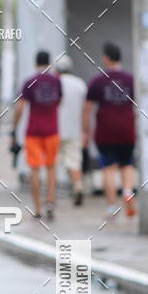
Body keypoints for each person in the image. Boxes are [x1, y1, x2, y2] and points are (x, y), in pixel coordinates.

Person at [83, 42, 137, 218]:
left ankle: (112, 207)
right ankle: (128, 191)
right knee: (127, 164)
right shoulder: (131, 79)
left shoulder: (98, 81)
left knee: (108, 168)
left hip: (105, 131)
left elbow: (88, 108)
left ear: (106, 58)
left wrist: (86, 130)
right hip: (127, 129)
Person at [12, 49, 62, 220]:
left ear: (35, 63)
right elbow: (58, 102)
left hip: (33, 132)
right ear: (49, 63)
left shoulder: (30, 82)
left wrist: (14, 127)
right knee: (51, 168)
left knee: (34, 169)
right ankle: (50, 201)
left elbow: (19, 107)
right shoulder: (56, 81)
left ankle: (38, 208)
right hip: (52, 130)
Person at [55, 54, 87, 206]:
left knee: (52, 162)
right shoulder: (80, 84)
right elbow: (85, 109)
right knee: (74, 161)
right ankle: (78, 186)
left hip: (54, 130)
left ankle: (52, 192)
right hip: (75, 129)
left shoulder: (54, 83)